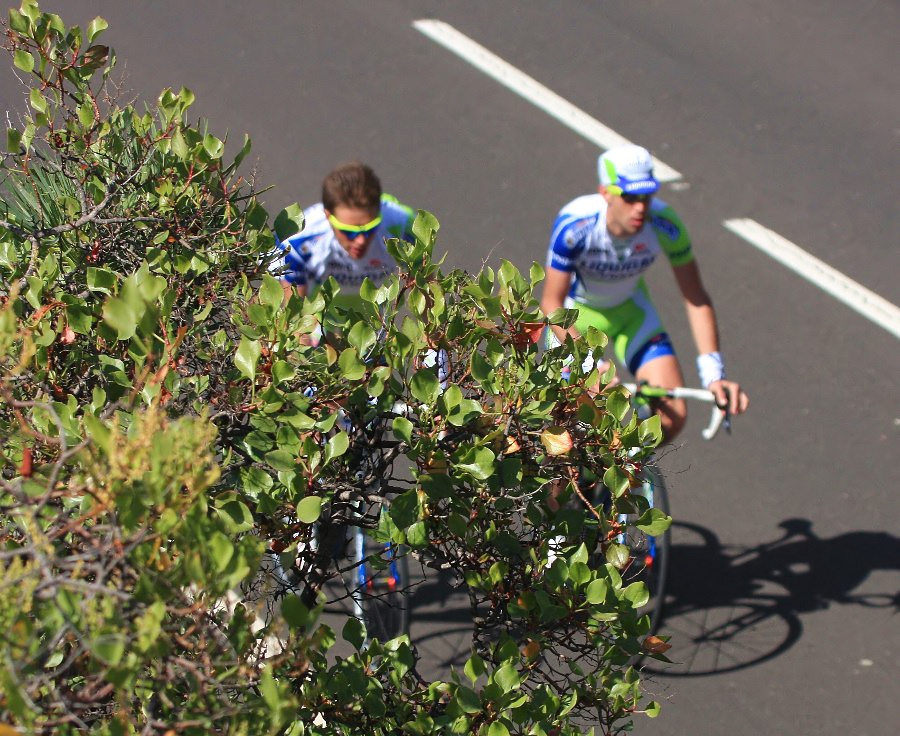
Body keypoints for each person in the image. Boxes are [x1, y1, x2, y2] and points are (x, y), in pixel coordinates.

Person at [540, 144, 749, 441]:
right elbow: (551, 304)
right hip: (575, 319)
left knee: (672, 418)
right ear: (606, 192)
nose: (641, 207)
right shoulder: (576, 226)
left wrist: (714, 374)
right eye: (630, 197)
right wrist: (588, 364)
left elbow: (695, 297)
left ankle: (624, 476)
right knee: (566, 435)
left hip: (631, 313)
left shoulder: (665, 224)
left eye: (647, 196)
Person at [271, 161, 415, 302]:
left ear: (379, 212)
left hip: (374, 317)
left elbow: (425, 292)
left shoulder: (405, 226)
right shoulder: (297, 240)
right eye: (349, 231)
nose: (361, 240)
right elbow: (296, 313)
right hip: (318, 315)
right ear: (328, 216)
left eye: (370, 228)